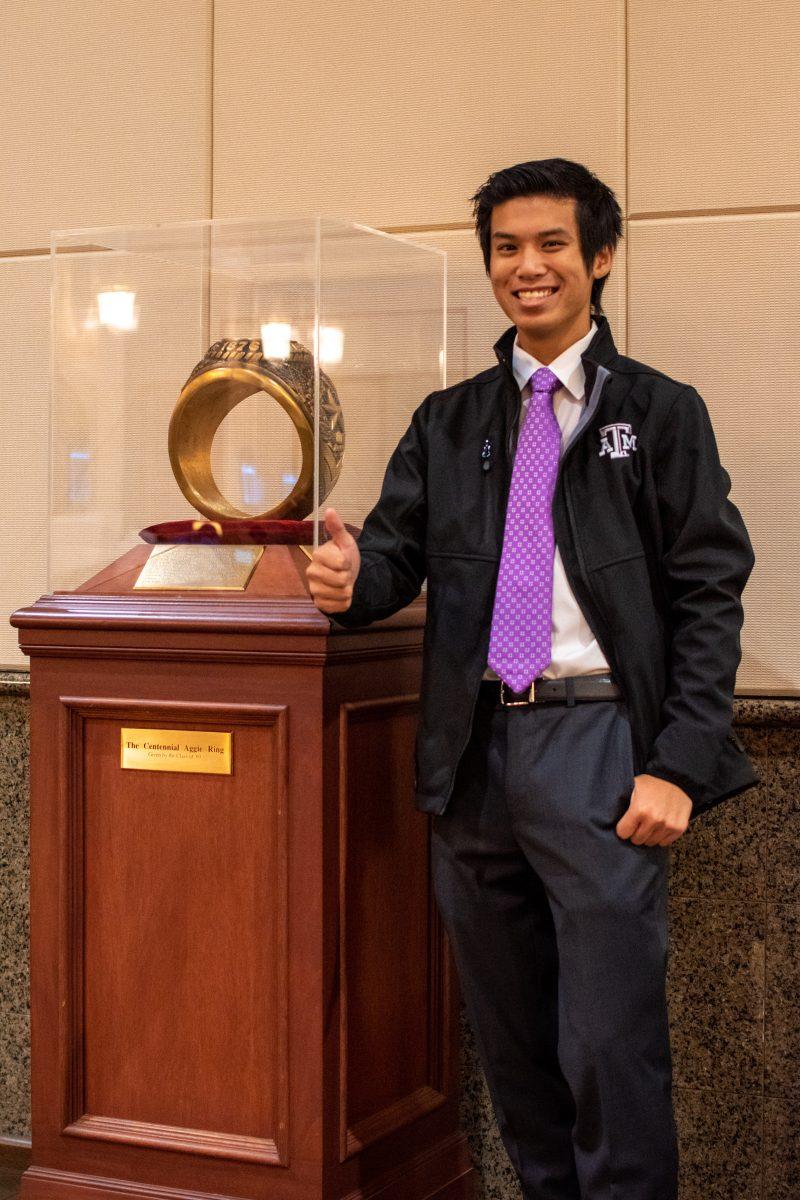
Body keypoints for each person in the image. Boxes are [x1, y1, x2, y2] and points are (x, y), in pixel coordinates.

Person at [305, 158, 759, 1200]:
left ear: (597, 259)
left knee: (607, 1044)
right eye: (506, 248)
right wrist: (343, 581)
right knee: (512, 1046)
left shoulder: (656, 413)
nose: (527, 267)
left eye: (551, 244)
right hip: (471, 757)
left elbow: (707, 596)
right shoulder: (447, 419)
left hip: (596, 746)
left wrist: (676, 765)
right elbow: (388, 565)